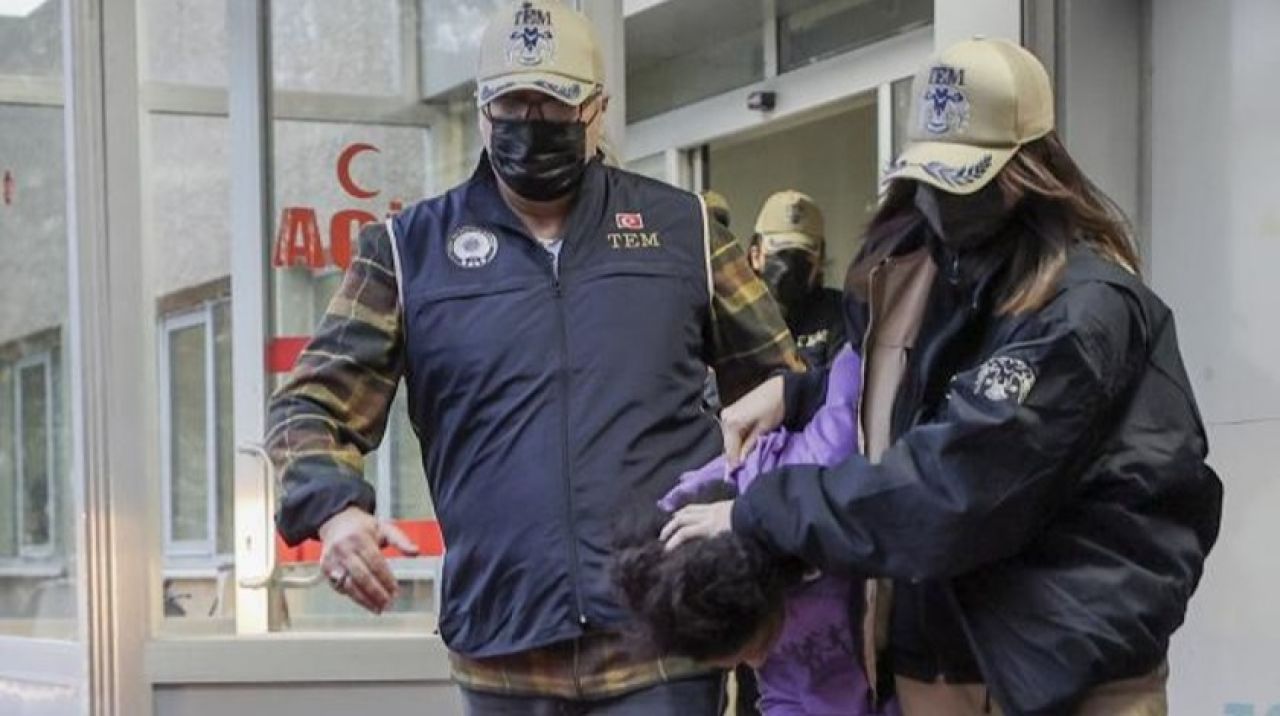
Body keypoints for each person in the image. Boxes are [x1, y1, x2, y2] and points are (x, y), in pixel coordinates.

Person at [265, 1, 801, 713]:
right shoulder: (407, 252)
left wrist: (753, 546)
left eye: (553, 103)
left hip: (665, 637)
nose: (530, 120)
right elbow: (310, 403)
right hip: (502, 644)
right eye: (511, 102)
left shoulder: (684, 234)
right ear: (482, 110)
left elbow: (783, 390)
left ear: (598, 110)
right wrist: (333, 511)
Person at [662, 38, 1222, 715]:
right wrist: (798, 391)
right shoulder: (922, 271)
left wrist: (758, 513)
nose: (945, 202)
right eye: (932, 176)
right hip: (934, 665)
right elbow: (915, 384)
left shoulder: (1084, 311)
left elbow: (953, 486)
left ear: (1032, 166)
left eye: (970, 178)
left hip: (1062, 680)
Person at [619, 346, 899, 716]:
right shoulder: (735, 614)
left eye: (751, 650)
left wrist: (790, 390)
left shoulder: (820, 459)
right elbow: (783, 690)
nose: (753, 663)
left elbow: (865, 353)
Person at [748, 191, 847, 370]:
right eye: (780, 254)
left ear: (820, 261)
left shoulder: (840, 314)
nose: (789, 266)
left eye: (802, 255)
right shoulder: (737, 319)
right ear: (756, 257)